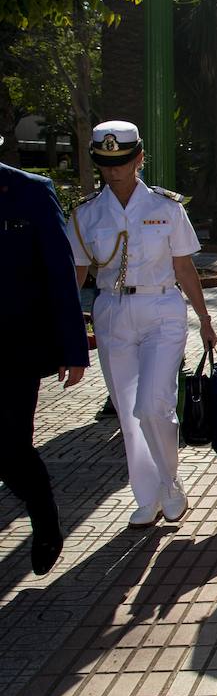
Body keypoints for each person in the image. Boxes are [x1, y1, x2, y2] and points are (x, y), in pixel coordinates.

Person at [67, 120, 217, 526]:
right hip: (112, 311)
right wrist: (65, 330)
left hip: (162, 308)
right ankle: (147, 496)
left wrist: (204, 318)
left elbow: (184, 268)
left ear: (139, 158)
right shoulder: (86, 214)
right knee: (129, 412)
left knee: (154, 404)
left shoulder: (166, 207)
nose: (113, 170)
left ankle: (170, 484)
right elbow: (76, 274)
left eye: (122, 161)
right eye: (105, 162)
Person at [3, 157, 90, 574]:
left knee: (10, 446)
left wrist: (73, 349)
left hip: (14, 349)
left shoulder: (30, 191)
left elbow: (59, 271)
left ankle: (42, 510)